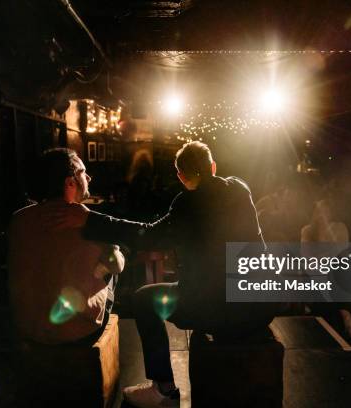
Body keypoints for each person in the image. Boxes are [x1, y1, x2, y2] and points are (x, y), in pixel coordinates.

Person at [84, 141, 280, 408]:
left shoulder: (187, 202)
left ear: (181, 176)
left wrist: (90, 221)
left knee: (143, 300)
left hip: (216, 308)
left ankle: (163, 389)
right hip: (259, 305)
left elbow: (147, 235)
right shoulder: (239, 187)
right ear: (213, 166)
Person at [8, 148, 124, 345]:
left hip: (28, 329)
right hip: (75, 334)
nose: (88, 177)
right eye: (82, 172)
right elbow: (118, 266)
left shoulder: (19, 219)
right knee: (116, 262)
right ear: (70, 182)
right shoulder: (87, 221)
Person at [300, 199, 351, 341]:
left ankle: (344, 314)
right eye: (319, 211)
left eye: (325, 210)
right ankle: (345, 314)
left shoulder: (340, 227)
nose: (322, 214)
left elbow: (342, 251)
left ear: (331, 212)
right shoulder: (307, 230)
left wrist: (324, 254)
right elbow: (307, 257)